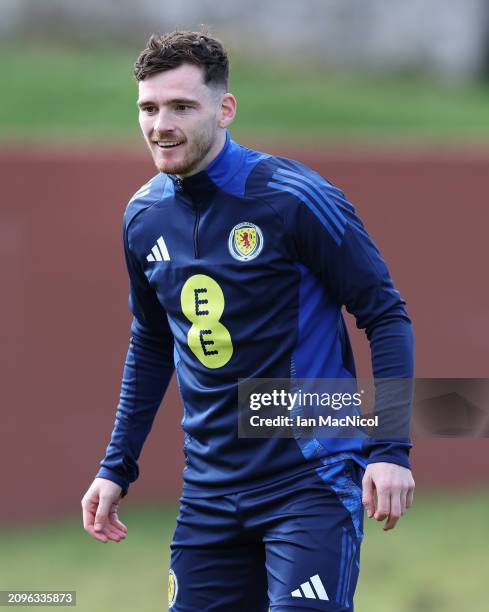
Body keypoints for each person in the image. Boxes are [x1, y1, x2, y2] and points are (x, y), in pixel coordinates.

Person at [81, 30, 415, 611]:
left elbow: (385, 313)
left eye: (182, 106)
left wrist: (391, 449)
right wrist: (116, 466)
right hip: (209, 494)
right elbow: (152, 343)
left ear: (225, 108)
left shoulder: (293, 198)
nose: (162, 124)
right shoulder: (142, 218)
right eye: (149, 108)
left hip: (309, 482)